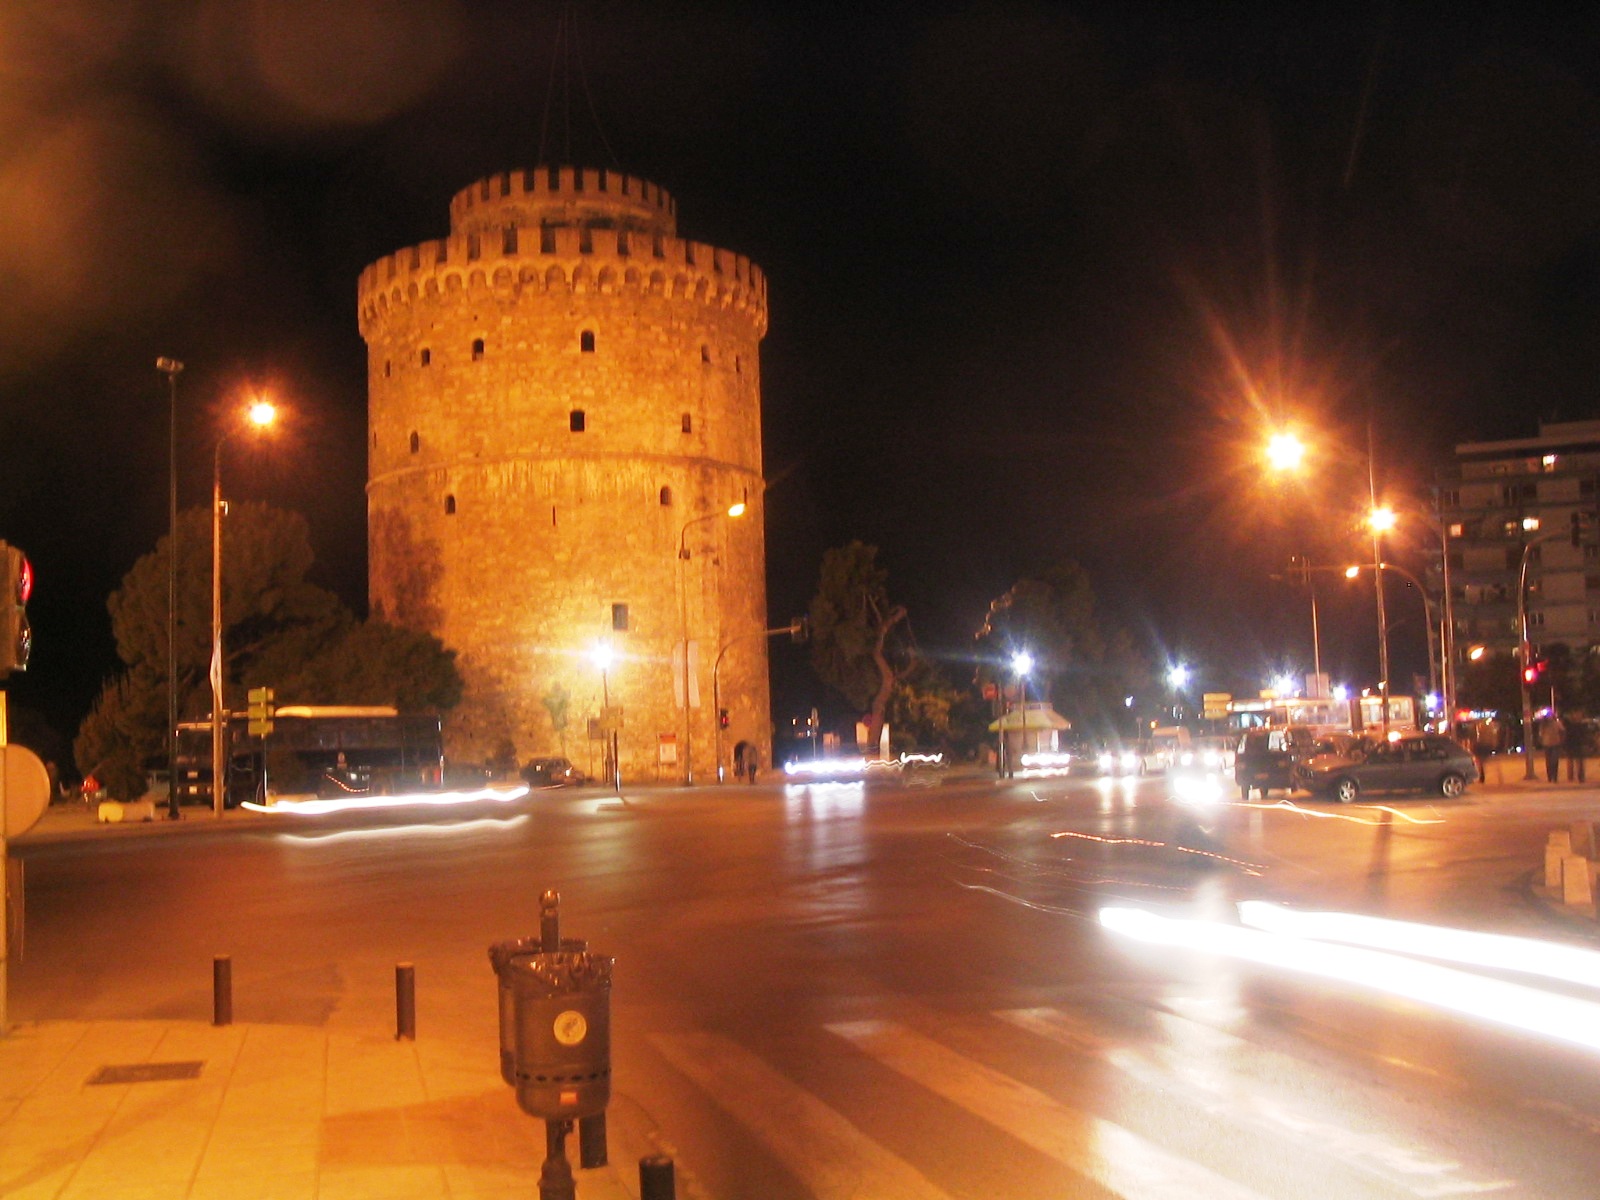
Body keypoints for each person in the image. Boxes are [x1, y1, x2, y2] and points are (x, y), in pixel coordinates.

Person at [1538, 714, 1566, 784]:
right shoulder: (1555, 723)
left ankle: (1551, 777)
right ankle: (1553, 777)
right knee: (1554, 761)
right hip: (1554, 743)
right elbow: (1562, 730)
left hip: (1549, 743)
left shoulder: (1545, 725)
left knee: (1550, 761)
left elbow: (1540, 735)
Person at [1566, 713, 1590, 783]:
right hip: (1578, 745)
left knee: (1571, 761)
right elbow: (1584, 736)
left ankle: (1570, 776)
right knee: (1579, 762)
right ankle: (1580, 777)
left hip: (1572, 745)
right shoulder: (1582, 727)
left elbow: (1567, 736)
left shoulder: (1569, 727)